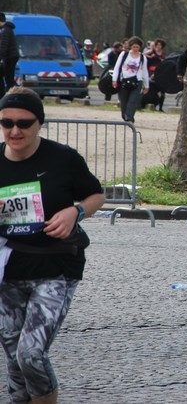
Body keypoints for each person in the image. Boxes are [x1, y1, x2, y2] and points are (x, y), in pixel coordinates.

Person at [0, 87, 105, 403]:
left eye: (24, 123)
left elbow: (96, 195)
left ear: (39, 123)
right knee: (15, 362)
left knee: (30, 354)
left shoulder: (63, 158)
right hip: (9, 270)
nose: (15, 130)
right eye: (7, 123)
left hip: (56, 267)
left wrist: (76, 212)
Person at [111, 36, 149, 123]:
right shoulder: (124, 54)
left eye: (137, 47)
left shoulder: (143, 58)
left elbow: (145, 72)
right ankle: (125, 116)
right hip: (124, 80)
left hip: (137, 81)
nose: (135, 49)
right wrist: (114, 79)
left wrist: (146, 85)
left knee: (133, 100)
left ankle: (129, 117)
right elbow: (117, 67)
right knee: (123, 101)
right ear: (130, 46)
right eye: (134, 47)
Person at [143, 38, 167, 112]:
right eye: (157, 44)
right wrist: (150, 56)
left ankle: (160, 106)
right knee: (152, 83)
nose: (158, 46)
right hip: (151, 71)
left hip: (160, 71)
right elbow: (143, 54)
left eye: (160, 45)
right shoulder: (152, 52)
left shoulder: (163, 54)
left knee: (162, 87)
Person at [0, 13, 19, 99]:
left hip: (9, 57)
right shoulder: (7, 30)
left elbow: (3, 47)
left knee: (9, 78)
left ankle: (14, 95)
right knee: (8, 77)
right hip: (11, 56)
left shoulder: (5, 31)